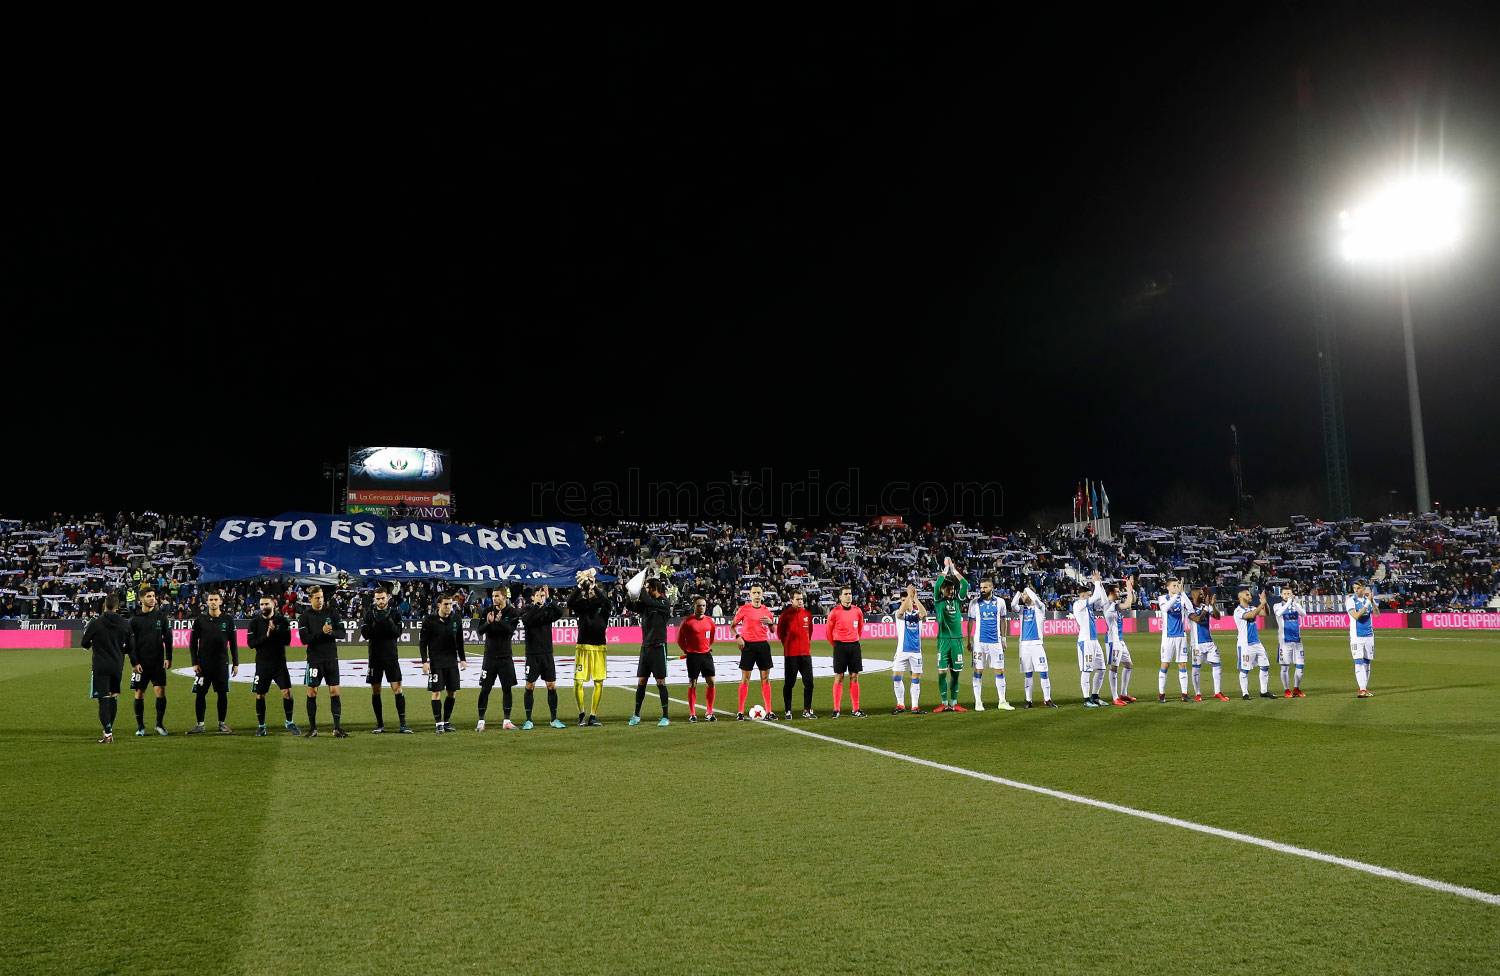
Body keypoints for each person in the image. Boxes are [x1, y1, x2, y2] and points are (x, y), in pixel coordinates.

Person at [247, 594, 301, 736]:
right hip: (262, 665)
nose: (264, 607)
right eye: (262, 604)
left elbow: (287, 641)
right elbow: (251, 644)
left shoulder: (282, 620)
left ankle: (289, 722)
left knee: (287, 693)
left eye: (266, 604)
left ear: (273, 604)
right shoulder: (254, 623)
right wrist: (267, 634)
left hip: (279, 664)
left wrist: (275, 630)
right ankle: (261, 726)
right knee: (260, 695)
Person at [297, 585, 346, 738]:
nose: (320, 600)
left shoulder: (332, 612)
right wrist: (321, 632)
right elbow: (305, 639)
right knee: (312, 692)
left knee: (335, 691)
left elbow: (342, 633)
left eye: (322, 597)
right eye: (317, 598)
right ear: (310, 599)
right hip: (314, 659)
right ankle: (313, 729)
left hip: (331, 658)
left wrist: (331, 632)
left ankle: (337, 728)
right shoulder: (304, 617)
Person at [187, 590, 238, 734]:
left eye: (216, 599)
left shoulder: (228, 620)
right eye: (211, 599)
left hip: (221, 664)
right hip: (203, 665)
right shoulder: (200, 620)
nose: (213, 602)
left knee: (222, 694)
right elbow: (192, 644)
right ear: (207, 602)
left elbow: (233, 643)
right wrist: (194, 662)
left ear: (221, 601)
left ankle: (222, 724)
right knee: (200, 694)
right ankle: (200, 724)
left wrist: (236, 663)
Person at [81, 594, 131, 743]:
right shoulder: (124, 623)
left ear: (104, 605)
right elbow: (130, 647)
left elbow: (84, 643)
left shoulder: (96, 623)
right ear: (117, 607)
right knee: (113, 697)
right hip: (117, 666)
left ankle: (108, 733)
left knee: (103, 699)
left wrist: (93, 644)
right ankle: (108, 730)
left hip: (100, 666)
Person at [625, 575, 673, 727]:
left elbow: (647, 600)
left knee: (660, 682)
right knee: (641, 682)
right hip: (645, 648)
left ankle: (665, 716)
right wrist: (630, 593)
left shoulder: (664, 602)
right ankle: (636, 715)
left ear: (654, 589)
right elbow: (631, 605)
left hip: (659, 647)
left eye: (647, 588)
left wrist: (639, 588)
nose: (645, 591)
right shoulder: (647, 604)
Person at [362, 584, 410, 733]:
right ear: (374, 599)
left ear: (387, 597)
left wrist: (387, 621)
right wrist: (375, 624)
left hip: (391, 656)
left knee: (397, 689)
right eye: (378, 599)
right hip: (375, 656)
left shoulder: (395, 613)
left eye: (383, 598)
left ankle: (402, 724)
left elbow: (397, 633)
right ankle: (380, 725)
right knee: (376, 690)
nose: (380, 601)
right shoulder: (369, 614)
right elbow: (365, 634)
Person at [126, 586, 174, 736]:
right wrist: (134, 663)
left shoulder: (161, 617)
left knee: (160, 691)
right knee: (139, 693)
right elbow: (130, 645)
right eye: (148, 596)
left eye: (153, 596)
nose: (152, 599)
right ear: (141, 599)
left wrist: (168, 657)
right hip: (141, 664)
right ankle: (140, 727)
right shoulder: (134, 620)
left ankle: (159, 725)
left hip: (158, 662)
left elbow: (168, 638)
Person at [519, 585, 566, 730]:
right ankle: (528, 720)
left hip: (547, 653)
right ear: (533, 597)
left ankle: (554, 719)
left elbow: (559, 613)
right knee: (529, 685)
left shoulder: (548, 609)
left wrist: (549, 599)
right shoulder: (527, 609)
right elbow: (526, 621)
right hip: (532, 654)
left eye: (542, 595)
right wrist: (537, 606)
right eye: (538, 595)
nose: (541, 597)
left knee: (551, 686)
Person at [568, 569, 611, 727]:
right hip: (583, 648)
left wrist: (595, 587)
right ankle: (581, 714)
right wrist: (580, 587)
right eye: (590, 590)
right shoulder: (582, 605)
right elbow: (569, 603)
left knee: (598, 682)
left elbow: (607, 602)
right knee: (578, 682)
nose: (591, 592)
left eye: (593, 590)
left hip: (599, 648)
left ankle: (593, 715)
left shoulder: (603, 606)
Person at [420, 593, 467, 733]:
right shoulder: (429, 620)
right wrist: (424, 661)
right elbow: (423, 643)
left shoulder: (456, 619)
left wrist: (463, 659)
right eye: (446, 604)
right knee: (436, 692)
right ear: (439, 605)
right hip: (436, 662)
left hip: (452, 662)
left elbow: (460, 642)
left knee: (452, 693)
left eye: (450, 604)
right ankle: (438, 723)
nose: (449, 607)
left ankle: (446, 721)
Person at [476, 586, 521, 731]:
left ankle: (506, 721)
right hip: (489, 657)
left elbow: (510, 630)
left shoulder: (512, 612)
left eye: (497, 596)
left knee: (507, 689)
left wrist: (499, 621)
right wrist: (489, 622)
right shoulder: (487, 611)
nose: (494, 598)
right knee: (485, 689)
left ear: (504, 597)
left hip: (505, 657)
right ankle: (481, 721)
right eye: (493, 596)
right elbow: (479, 631)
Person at [731, 583, 777, 721]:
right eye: (754, 593)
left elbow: (773, 630)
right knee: (745, 678)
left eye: (759, 592)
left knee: (766, 678)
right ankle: (740, 712)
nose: (757, 595)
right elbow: (732, 627)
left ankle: (769, 711)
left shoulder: (766, 610)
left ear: (762, 594)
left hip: (763, 646)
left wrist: (770, 622)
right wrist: (737, 637)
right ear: (750, 595)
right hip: (748, 646)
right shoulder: (744, 609)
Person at [967, 577, 1013, 711]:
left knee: (999, 670)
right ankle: (978, 702)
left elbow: (1003, 620)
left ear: (991, 587)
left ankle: (1002, 701)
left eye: (985, 587)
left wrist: (1004, 638)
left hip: (996, 642)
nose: (982, 590)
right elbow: (970, 621)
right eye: (981, 587)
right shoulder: (974, 603)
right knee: (978, 671)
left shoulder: (1000, 602)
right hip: (979, 643)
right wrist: (969, 640)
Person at [931, 558, 969, 712]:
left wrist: (954, 569)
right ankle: (944, 702)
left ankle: (953, 703)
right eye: (948, 589)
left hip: (957, 641)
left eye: (952, 589)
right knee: (941, 673)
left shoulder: (957, 601)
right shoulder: (938, 601)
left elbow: (965, 584)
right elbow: (937, 585)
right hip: (943, 641)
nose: (951, 591)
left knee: (956, 674)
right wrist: (946, 569)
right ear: (942, 590)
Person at [827, 584, 866, 718]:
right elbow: (828, 632)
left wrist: (854, 639)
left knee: (854, 676)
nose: (848, 596)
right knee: (839, 677)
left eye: (850, 593)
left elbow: (860, 628)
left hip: (854, 646)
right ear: (840, 597)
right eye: (846, 594)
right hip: (840, 647)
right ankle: (836, 709)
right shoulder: (834, 612)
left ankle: (856, 709)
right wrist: (836, 645)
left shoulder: (858, 611)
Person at [776, 589, 816, 719]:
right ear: (791, 600)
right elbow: (780, 634)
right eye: (797, 599)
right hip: (791, 655)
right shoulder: (785, 615)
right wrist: (788, 645)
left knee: (809, 683)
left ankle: (807, 710)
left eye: (801, 599)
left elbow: (809, 633)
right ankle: (788, 710)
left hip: (805, 654)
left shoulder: (807, 615)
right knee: (789, 683)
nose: (800, 601)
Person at [1014, 585, 1056, 707]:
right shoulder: (1022, 610)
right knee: (1028, 673)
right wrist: (1018, 593)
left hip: (1037, 645)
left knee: (1043, 671)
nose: (1023, 595)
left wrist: (1027, 589)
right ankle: (1028, 700)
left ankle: (1047, 699)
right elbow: (1012, 605)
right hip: (1024, 646)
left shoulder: (1040, 608)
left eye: (1025, 593)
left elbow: (1037, 600)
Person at [1070, 573, 1108, 707]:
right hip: (1085, 641)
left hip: (1094, 640)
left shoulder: (1088, 606)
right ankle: (1086, 699)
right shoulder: (1078, 604)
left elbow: (1104, 600)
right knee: (1086, 670)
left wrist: (1100, 583)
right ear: (1083, 595)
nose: (1090, 596)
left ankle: (1095, 696)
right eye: (1088, 594)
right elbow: (1096, 597)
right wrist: (1096, 582)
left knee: (1101, 669)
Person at [677, 596, 717, 722]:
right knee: (693, 683)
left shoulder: (710, 621)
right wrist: (686, 651)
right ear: (694, 606)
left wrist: (706, 647)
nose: (701, 608)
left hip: (706, 655)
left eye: (704, 605)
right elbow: (679, 640)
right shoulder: (687, 622)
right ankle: (692, 713)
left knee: (711, 682)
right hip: (693, 656)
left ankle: (709, 712)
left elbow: (711, 638)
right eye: (699, 605)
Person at [1232, 585, 1274, 700]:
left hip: (1257, 643)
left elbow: (1266, 614)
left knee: (1265, 666)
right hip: (1245, 644)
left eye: (1250, 594)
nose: (1250, 596)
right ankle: (1245, 693)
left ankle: (1264, 691)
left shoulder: (1252, 607)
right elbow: (1250, 615)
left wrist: (1264, 603)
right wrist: (1261, 604)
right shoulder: (1238, 610)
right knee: (1245, 670)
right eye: (1247, 594)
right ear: (1240, 597)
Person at [1156, 577, 1194, 703]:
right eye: (1173, 585)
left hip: (1181, 636)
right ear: (1167, 587)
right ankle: (1161, 694)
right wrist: (1176, 595)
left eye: (1177, 585)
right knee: (1165, 664)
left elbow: (1190, 608)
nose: (1176, 587)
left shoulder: (1181, 596)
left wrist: (1182, 593)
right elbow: (1165, 608)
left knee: (1182, 664)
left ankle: (1184, 693)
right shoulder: (1163, 598)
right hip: (1168, 637)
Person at [890, 584, 925, 714]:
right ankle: (900, 704)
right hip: (901, 652)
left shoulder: (917, 614)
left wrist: (914, 598)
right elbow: (900, 612)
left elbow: (925, 614)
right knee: (896, 678)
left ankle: (915, 706)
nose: (905, 603)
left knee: (915, 678)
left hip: (916, 652)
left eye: (906, 600)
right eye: (902, 601)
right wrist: (908, 597)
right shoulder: (899, 615)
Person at [1189, 588, 1228, 701]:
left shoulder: (1205, 605)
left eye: (1203, 594)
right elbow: (1197, 619)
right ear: (1193, 595)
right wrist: (1206, 607)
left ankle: (1217, 692)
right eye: (1200, 594)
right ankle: (1198, 693)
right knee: (1196, 668)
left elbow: (1217, 617)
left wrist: (1212, 605)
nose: (1202, 595)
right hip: (1197, 644)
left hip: (1209, 642)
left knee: (1217, 665)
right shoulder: (1189, 608)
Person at [1103, 577, 1135, 706]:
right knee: (1114, 667)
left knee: (1128, 665)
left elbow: (1131, 602)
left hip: (1120, 640)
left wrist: (1130, 590)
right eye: (1117, 591)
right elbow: (1127, 604)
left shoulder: (1115, 605)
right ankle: (1115, 697)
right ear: (1110, 593)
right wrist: (1129, 587)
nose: (1119, 593)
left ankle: (1123, 693)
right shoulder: (1109, 605)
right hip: (1112, 640)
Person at [1345, 580, 1378, 698]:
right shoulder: (1350, 601)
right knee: (1358, 662)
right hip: (1356, 637)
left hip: (1369, 635)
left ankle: (1364, 688)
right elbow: (1356, 616)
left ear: (1363, 588)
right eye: (1354, 588)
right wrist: (1367, 604)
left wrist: (1372, 602)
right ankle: (1362, 689)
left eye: (1358, 588)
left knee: (1367, 662)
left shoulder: (1367, 600)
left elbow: (1377, 614)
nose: (1356, 590)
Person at [1274, 585, 1307, 698]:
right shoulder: (1277, 605)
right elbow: (1279, 613)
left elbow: (1303, 614)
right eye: (1285, 594)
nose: (1287, 596)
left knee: (1300, 666)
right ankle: (1286, 689)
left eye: (1289, 594)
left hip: (1297, 640)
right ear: (1281, 595)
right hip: (1284, 641)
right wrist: (1288, 603)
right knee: (1285, 667)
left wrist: (1295, 604)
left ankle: (1296, 688)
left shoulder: (1295, 605)